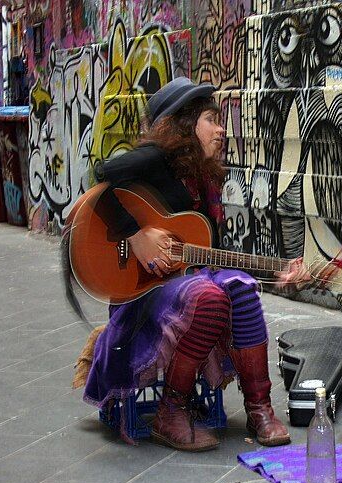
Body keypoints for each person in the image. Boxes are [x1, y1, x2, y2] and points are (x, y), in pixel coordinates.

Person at [82, 77, 290, 451]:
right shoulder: (155, 158)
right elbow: (100, 177)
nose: (221, 129)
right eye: (211, 119)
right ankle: (169, 412)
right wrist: (135, 234)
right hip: (143, 291)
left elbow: (209, 251)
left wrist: (277, 271)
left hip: (184, 279)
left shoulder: (204, 178)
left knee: (240, 286)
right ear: (183, 125)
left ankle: (260, 407)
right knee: (208, 295)